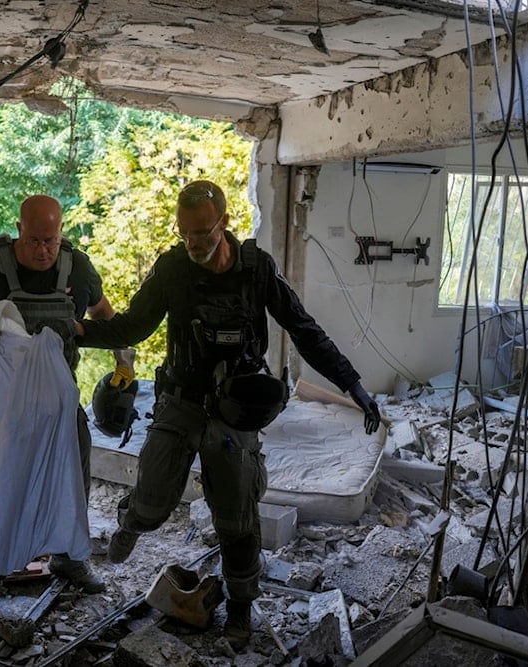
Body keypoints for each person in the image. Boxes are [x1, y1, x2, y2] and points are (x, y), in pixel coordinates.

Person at [71, 180, 381, 650]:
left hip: (236, 408)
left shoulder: (256, 269)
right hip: (181, 400)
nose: (193, 243)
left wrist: (352, 384)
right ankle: (132, 523)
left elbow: (303, 328)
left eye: (202, 232)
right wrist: (75, 331)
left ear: (224, 222)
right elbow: (133, 324)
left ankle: (239, 609)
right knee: (153, 504)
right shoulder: (174, 269)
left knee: (236, 519)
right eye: (185, 234)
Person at [0, 194, 133, 621]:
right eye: (35, 240)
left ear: (61, 233)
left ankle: (68, 558)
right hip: (3, 410)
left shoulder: (76, 268)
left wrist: (123, 359)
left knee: (72, 480)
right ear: (20, 229)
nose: (44, 250)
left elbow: (102, 312)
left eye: (52, 240)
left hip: (59, 405)